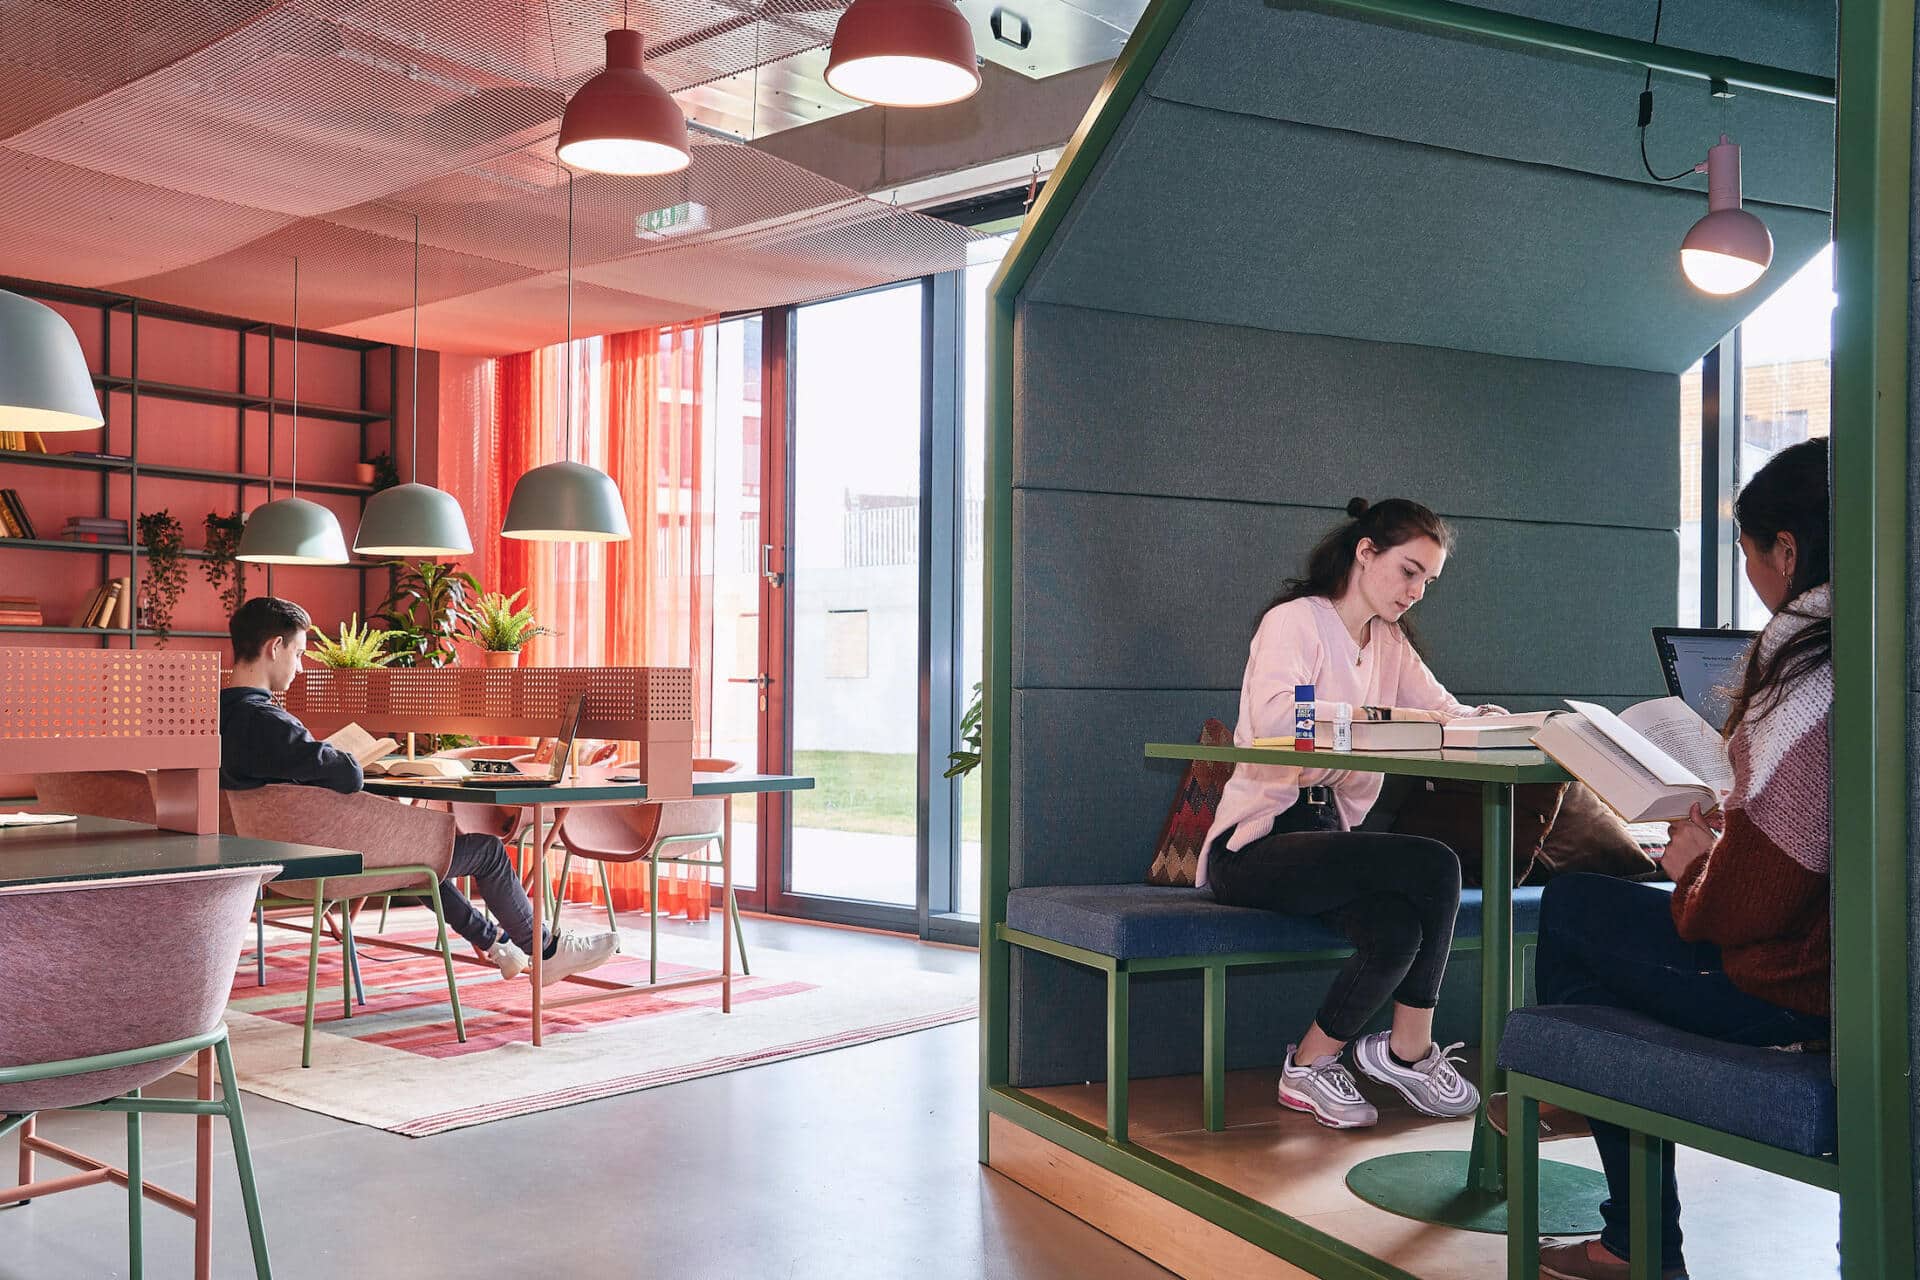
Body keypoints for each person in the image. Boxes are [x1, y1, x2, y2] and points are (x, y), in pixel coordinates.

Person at [1529, 438, 1832, 1280]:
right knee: (1589, 921)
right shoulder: (1870, 648)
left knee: (1575, 911)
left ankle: (1626, 1220)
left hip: (1796, 991)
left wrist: (1693, 862)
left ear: (1788, 550)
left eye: (1746, 554)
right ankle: (1572, 1083)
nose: (1750, 577)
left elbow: (1750, 908)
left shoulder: (1810, 676)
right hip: (1843, 970)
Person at [1200, 497, 1505, 1128]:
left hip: (1325, 839)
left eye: (1428, 580)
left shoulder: (1387, 644)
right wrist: (1387, 722)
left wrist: (1492, 723)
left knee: (1397, 929)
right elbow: (1286, 722)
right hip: (1254, 846)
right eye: (1409, 571)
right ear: (1366, 553)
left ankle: (1307, 1066)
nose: (1417, 591)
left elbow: (1446, 712)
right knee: (1434, 864)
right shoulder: (1295, 624)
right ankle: (1409, 1051)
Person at [220, 596, 618, 986]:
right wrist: (349, 756)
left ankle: (497, 944)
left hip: (281, 862)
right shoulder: (269, 721)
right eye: (299, 653)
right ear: (275, 647)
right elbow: (347, 776)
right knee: (488, 852)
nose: (300, 667)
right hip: (327, 862)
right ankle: (545, 950)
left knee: (421, 858)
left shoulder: (219, 717)